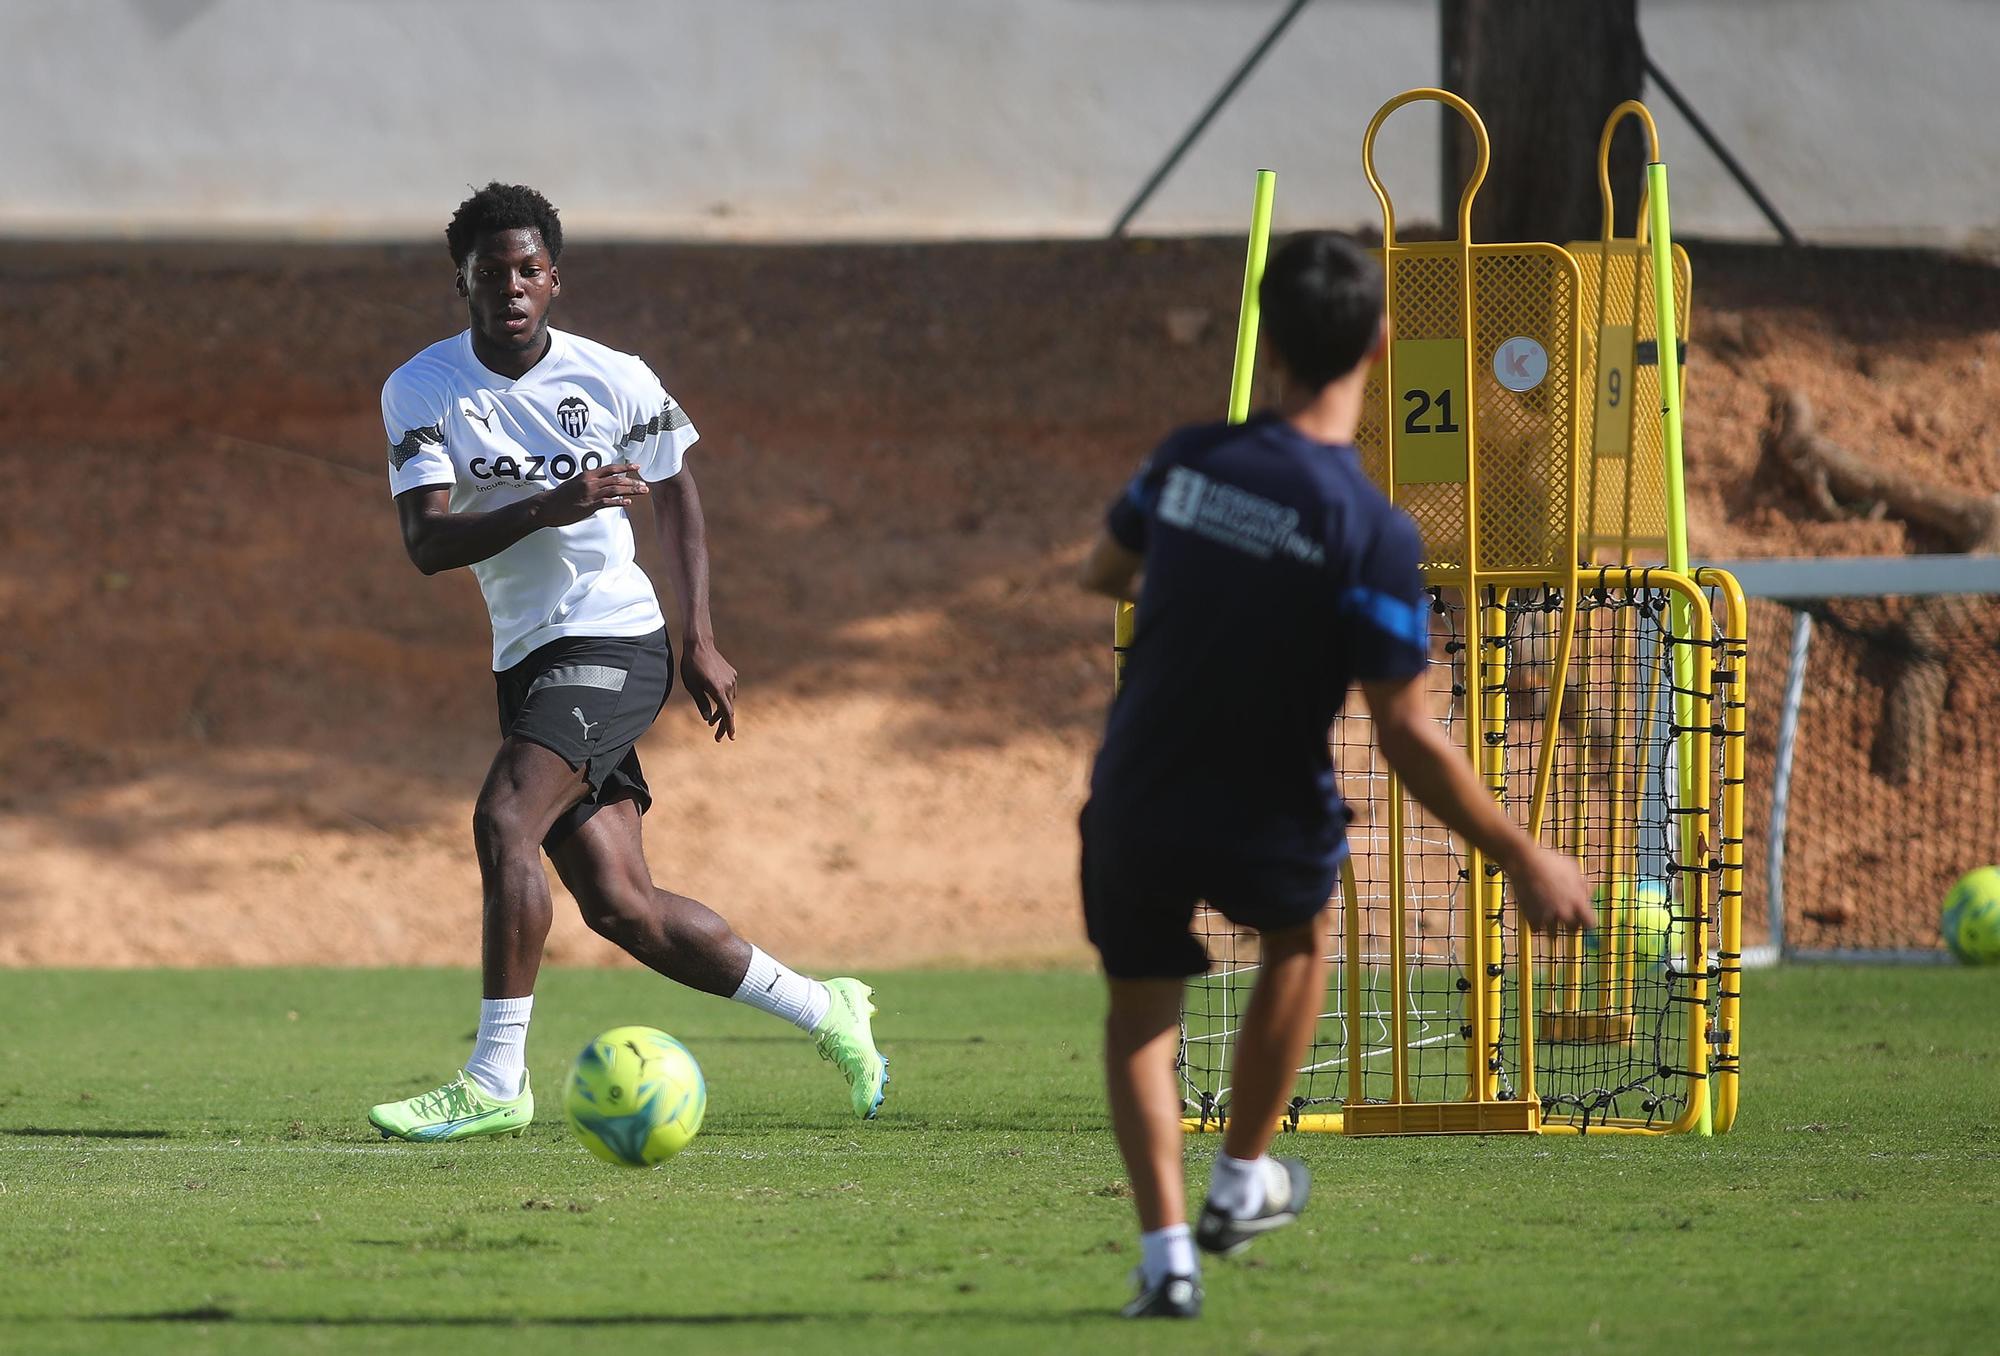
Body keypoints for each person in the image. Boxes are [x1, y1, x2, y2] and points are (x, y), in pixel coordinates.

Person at [1077, 231, 1594, 1318]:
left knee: (1140, 1016)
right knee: (1300, 939)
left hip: (1136, 792)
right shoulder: (1370, 529)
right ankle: (1241, 1177)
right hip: (1265, 800)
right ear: (1379, 344)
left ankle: (1165, 1256)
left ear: (1265, 338)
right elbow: (1404, 731)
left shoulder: (1186, 461)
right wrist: (1520, 853)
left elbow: (1103, 570)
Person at [367, 183, 886, 1143]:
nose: (512, 288)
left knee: (503, 818)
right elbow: (427, 545)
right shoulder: (423, 387)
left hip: (612, 637)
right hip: (527, 656)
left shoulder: (614, 377)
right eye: (492, 273)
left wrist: (699, 636)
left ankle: (493, 1080)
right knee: (624, 908)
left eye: (529, 270)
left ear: (554, 279)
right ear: (464, 282)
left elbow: (678, 490)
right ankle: (829, 1008)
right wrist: (550, 505)